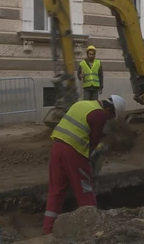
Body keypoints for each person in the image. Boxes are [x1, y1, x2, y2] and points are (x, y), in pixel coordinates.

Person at [42, 95, 125, 235]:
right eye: (112, 115)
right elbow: (93, 141)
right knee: (85, 190)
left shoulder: (82, 104)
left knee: (56, 190)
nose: (110, 119)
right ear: (109, 108)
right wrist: (93, 153)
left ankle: (48, 229)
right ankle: (92, 227)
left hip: (57, 147)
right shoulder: (100, 115)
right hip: (74, 152)